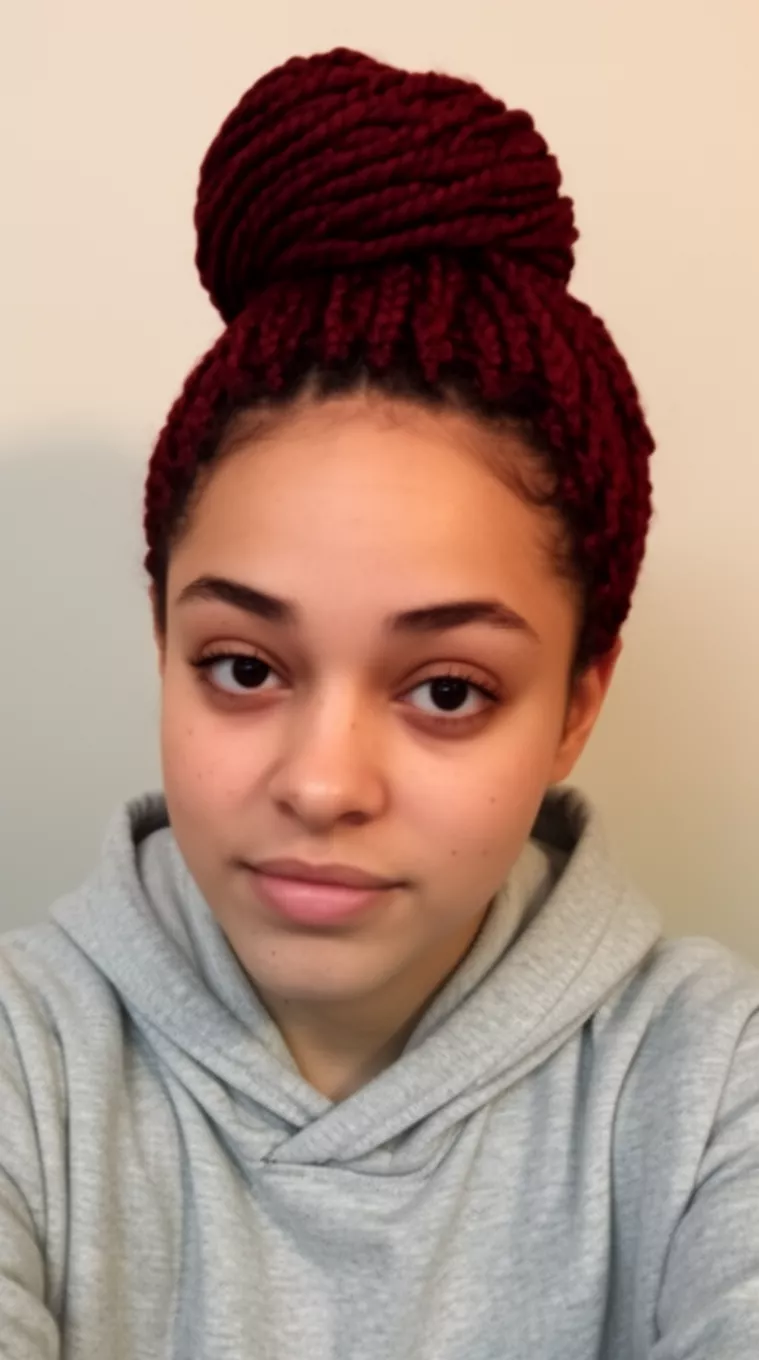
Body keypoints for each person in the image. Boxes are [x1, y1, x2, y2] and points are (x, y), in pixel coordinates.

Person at [1, 45, 757, 1360]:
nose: (321, 782)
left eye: (447, 690)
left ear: (578, 702)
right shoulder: (25, 1071)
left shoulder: (708, 1090)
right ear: (163, 639)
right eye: (243, 667)